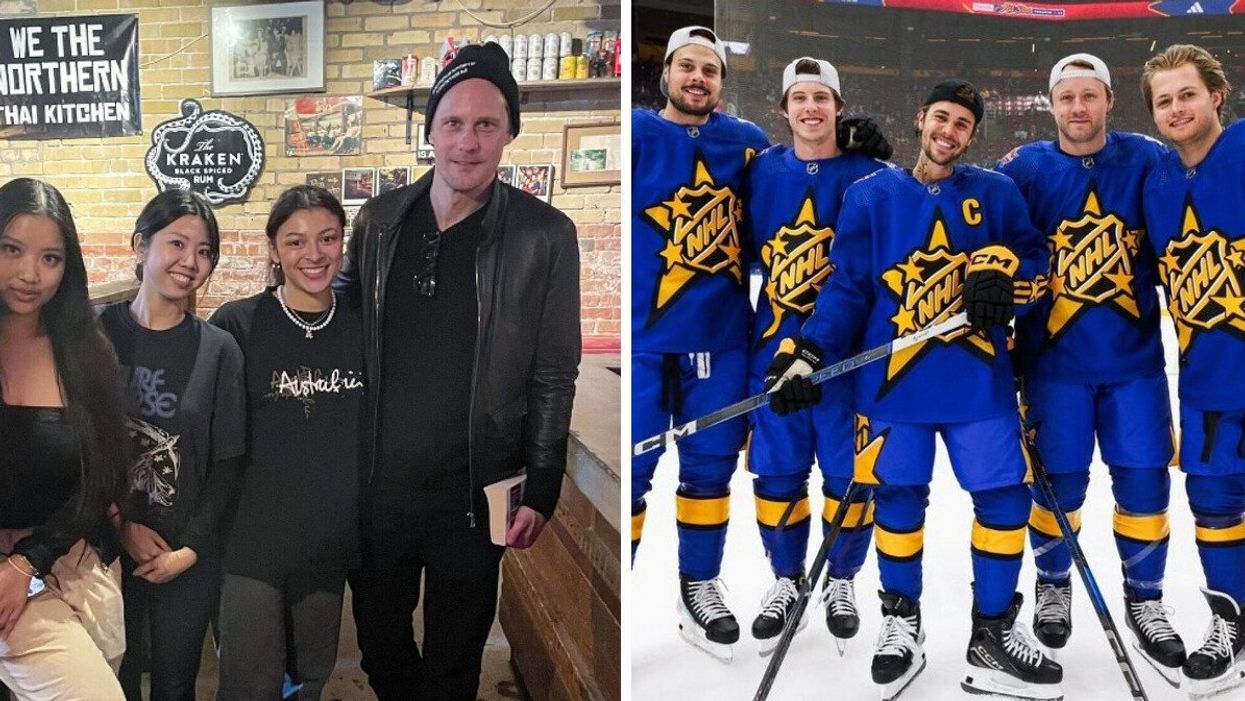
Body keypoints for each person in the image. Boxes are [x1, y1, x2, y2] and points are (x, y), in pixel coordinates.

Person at [767, 81, 1061, 700]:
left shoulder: (997, 192)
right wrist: (807, 351)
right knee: (897, 502)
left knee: (1005, 501)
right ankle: (902, 620)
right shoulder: (870, 195)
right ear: (921, 119)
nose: (949, 131)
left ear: (971, 135)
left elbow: (1039, 265)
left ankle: (993, 633)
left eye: (962, 124)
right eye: (941, 118)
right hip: (891, 389)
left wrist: (1004, 272)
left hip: (979, 383)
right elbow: (847, 289)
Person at [630, 25, 890, 660]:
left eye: (710, 70)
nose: (697, 78)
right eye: (686, 66)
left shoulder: (747, 147)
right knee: (633, 474)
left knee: (714, 471)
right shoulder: (640, 132)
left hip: (728, 343)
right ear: (664, 73)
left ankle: (705, 586)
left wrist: (878, 158)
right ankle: (617, 597)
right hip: (646, 340)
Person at [335, 41, 581, 700]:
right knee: (381, 647)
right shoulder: (380, 220)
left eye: (485, 125)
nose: (466, 142)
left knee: (454, 661)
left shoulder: (544, 235)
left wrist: (543, 482)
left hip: (476, 494)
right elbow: (338, 328)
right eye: (452, 123)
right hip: (377, 487)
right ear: (430, 132)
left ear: (507, 135)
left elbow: (555, 368)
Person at [994, 53, 1184, 682]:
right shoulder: (1023, 168)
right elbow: (981, 224)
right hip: (1052, 368)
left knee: (1143, 482)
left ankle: (1145, 596)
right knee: (1056, 488)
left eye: (1089, 96)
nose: (1078, 109)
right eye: (1066, 98)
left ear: (1108, 99)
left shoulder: (1149, 157)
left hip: (1134, 365)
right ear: (1052, 104)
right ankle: (1052, 581)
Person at [743, 57, 889, 655]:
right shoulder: (758, 172)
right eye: (799, 97)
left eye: (821, 97)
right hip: (773, 355)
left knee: (849, 478)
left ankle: (843, 580)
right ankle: (785, 579)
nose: (810, 108)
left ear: (839, 105)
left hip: (848, 363)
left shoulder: (874, 174)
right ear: (783, 109)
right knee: (777, 476)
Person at [211, 185, 363, 700]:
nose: (313, 254)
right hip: (250, 542)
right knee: (250, 682)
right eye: (295, 242)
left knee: (310, 677)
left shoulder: (364, 326)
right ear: (273, 248)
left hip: (328, 540)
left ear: (342, 244)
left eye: (327, 238)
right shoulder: (237, 323)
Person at [99, 189, 246, 701]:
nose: (191, 262)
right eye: (177, 243)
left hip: (185, 554)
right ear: (141, 245)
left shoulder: (218, 349)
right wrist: (122, 527)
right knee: (113, 678)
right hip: (102, 549)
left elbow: (229, 463)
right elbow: (81, 448)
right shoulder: (97, 336)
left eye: (205, 251)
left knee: (175, 685)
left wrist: (190, 551)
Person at [1140, 43, 1245, 698]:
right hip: (1207, 379)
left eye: (1186, 94)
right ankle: (1229, 620)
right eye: (1163, 100)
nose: (1176, 108)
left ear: (1215, 95)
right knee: (1213, 501)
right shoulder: (1154, 183)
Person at [0, 177, 129, 699]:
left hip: (74, 563)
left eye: (50, 258)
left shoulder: (86, 350)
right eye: (11, 250)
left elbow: (103, 477)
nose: (30, 275)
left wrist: (26, 560)